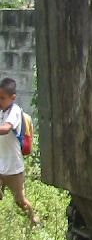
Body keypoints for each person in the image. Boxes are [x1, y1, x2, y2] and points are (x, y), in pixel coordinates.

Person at [0, 77, 38, 225]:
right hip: (1, 163)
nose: (0, 101)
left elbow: (6, 129)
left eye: (2, 98)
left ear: (13, 98)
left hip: (13, 168)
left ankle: (34, 221)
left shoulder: (14, 111)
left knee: (20, 201)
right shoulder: (2, 111)